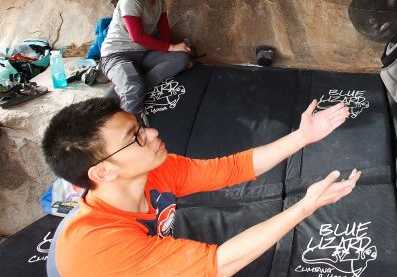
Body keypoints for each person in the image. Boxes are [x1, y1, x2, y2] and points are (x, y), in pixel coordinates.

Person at [41, 96, 360, 277]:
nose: (151, 135)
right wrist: (305, 206)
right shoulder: (98, 248)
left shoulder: (155, 170)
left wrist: (302, 137)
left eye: (141, 126)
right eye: (135, 137)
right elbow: (220, 264)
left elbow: (232, 168)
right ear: (104, 171)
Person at [100, 0, 192, 113]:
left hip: (143, 54)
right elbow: (138, 37)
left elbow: (164, 31)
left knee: (181, 57)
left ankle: (132, 89)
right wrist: (171, 47)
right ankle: (132, 118)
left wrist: (175, 50)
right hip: (117, 55)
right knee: (133, 86)